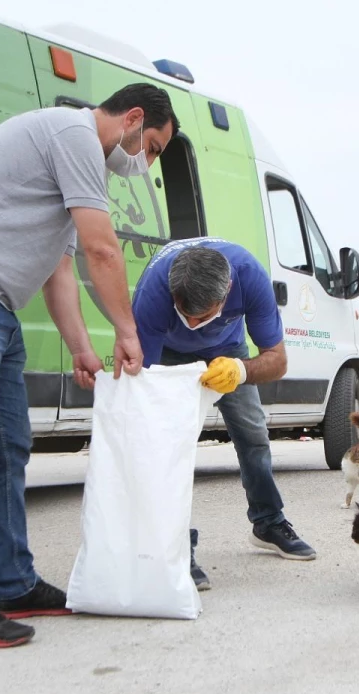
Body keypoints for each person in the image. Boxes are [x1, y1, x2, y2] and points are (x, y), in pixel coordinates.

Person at [0, 83, 179, 648]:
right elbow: (103, 250)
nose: (145, 164)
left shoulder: (74, 156)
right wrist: (127, 332)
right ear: (133, 119)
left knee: (6, 451)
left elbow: (60, 270)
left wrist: (79, 347)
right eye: (151, 147)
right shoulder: (74, 133)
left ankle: (14, 584)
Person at [131, 237, 317, 591]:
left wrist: (241, 370)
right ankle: (174, 544)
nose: (191, 322)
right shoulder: (154, 293)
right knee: (165, 447)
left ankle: (268, 522)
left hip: (228, 352)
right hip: (168, 355)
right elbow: (145, 382)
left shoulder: (249, 277)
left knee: (253, 436)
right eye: (183, 314)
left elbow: (277, 361)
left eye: (201, 316)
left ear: (227, 291)